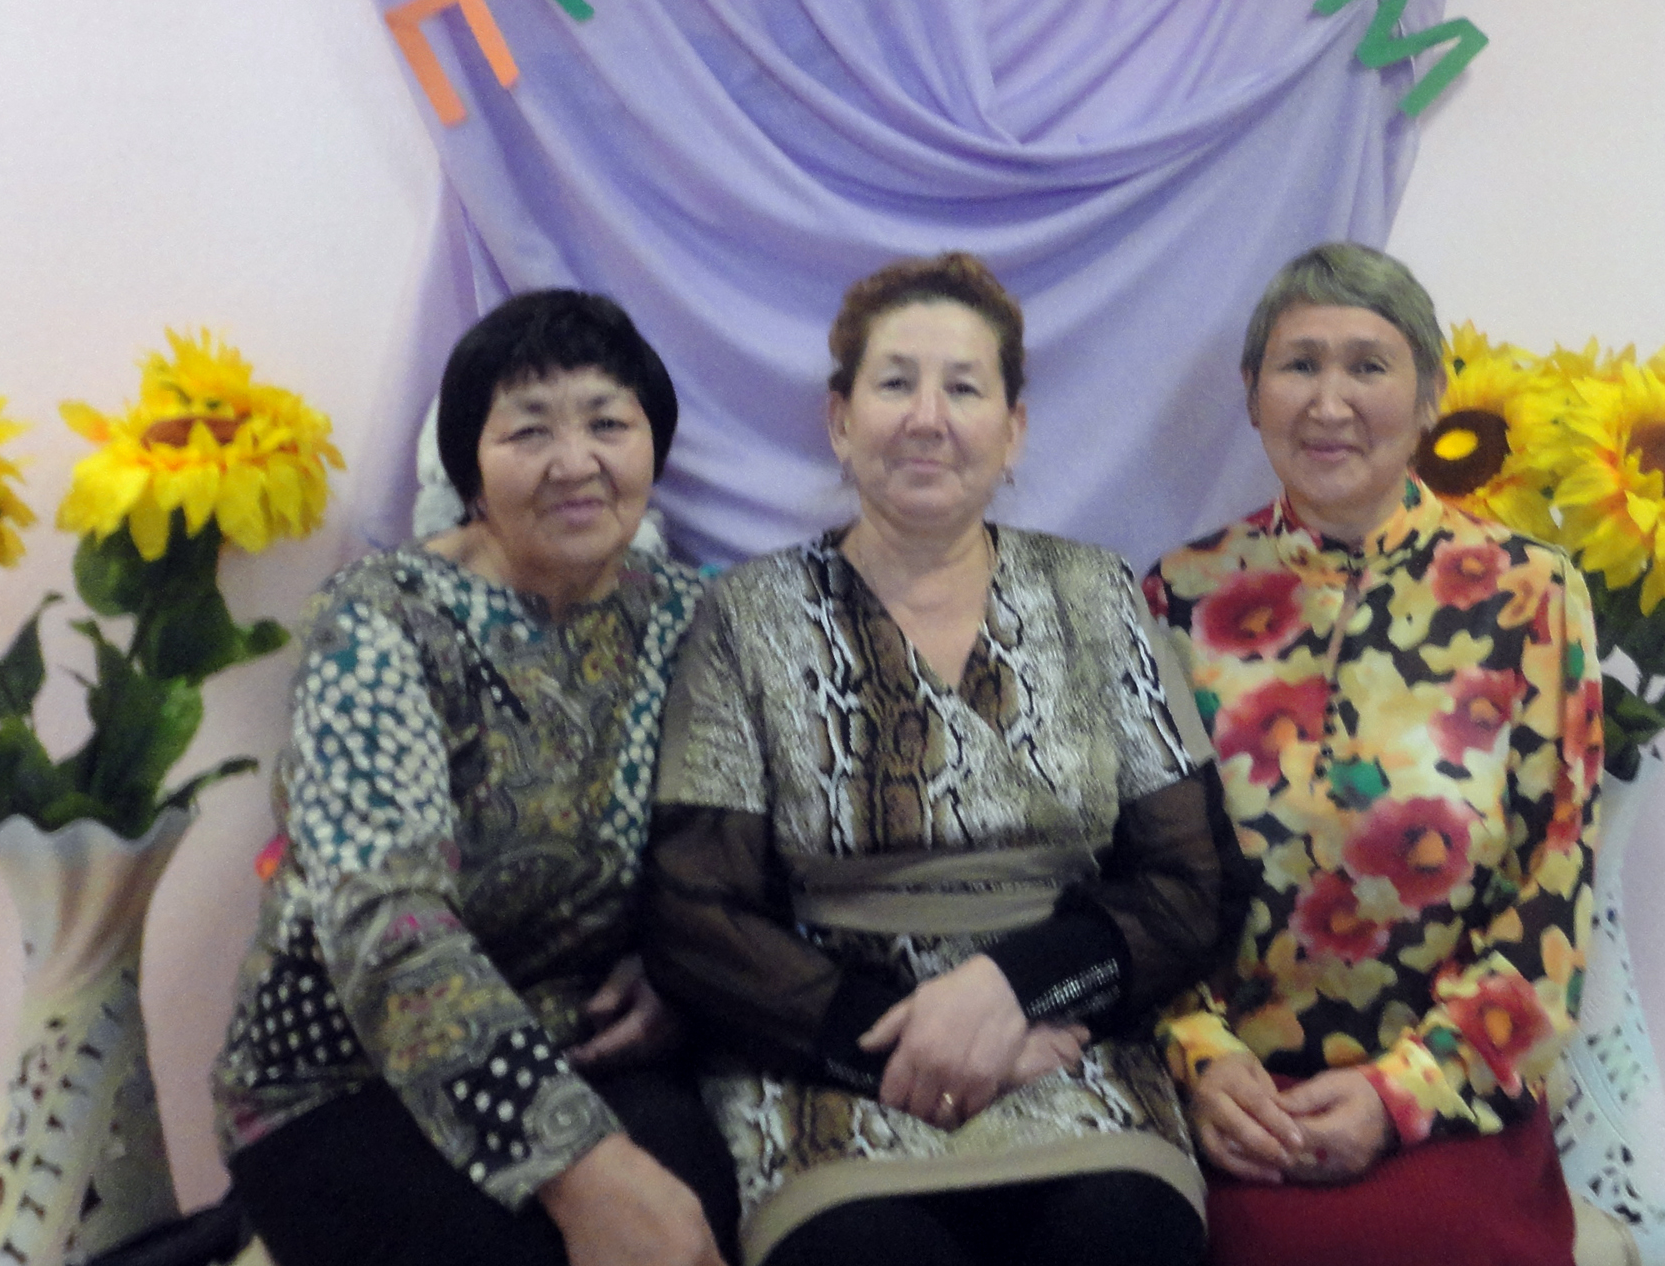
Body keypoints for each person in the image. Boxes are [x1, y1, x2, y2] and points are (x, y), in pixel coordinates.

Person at [646, 253, 1242, 1266]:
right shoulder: (746, 616)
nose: (928, 418)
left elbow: (1196, 882)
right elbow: (696, 915)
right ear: (841, 421)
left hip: (1068, 1052)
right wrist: (902, 1041)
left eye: (964, 388)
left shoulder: (1096, 596)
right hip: (827, 1069)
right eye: (895, 384)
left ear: (1014, 430)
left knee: (1124, 1238)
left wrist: (1016, 992)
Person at [212, 291, 738, 1266]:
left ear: (653, 448)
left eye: (607, 424)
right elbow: (385, 922)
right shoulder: (382, 623)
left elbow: (732, 844)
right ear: (470, 473)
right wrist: (577, 1165)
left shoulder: (686, 616)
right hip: (343, 1079)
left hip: (582, 1039)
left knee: (702, 1209)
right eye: (529, 431)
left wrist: (677, 964)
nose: (574, 462)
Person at [1143, 243, 1602, 1266]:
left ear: (1431, 396)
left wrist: (1405, 1092)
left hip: (1451, 1087)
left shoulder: (1531, 595)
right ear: (1252, 394)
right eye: (1299, 364)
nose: (1330, 402)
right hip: (1236, 1096)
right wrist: (1201, 1059)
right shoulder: (1179, 596)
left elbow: (1551, 894)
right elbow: (1139, 877)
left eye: (1368, 365)